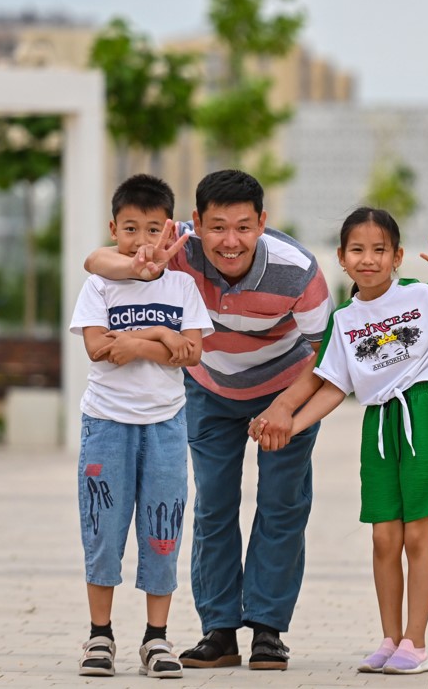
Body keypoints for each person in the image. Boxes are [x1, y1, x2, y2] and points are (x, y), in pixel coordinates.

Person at [84, 169, 333, 671]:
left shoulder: (299, 270)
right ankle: (219, 630)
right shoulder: (176, 245)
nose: (230, 241)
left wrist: (286, 408)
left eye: (243, 227)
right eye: (217, 227)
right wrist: (138, 267)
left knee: (282, 504)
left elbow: (326, 354)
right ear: (195, 223)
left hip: (285, 389)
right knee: (214, 505)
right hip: (210, 388)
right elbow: (95, 260)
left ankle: (267, 630)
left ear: (262, 222)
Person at [251, 207, 428, 674]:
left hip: (426, 411)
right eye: (358, 250)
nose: (369, 259)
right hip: (379, 420)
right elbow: (333, 387)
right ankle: (390, 639)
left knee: (417, 532)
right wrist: (289, 427)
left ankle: (416, 644)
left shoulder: (423, 296)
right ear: (342, 258)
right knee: (384, 536)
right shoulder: (344, 319)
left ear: (397, 256)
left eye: (379, 250)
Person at [70, 174, 214, 678]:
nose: (142, 240)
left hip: (165, 426)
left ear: (169, 230)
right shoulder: (100, 284)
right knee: (103, 528)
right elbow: (98, 348)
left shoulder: (183, 286)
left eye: (153, 229)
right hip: (106, 424)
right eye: (130, 228)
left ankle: (156, 638)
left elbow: (192, 353)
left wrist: (141, 338)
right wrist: (162, 340)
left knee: (162, 528)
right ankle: (100, 635)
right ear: (114, 229)